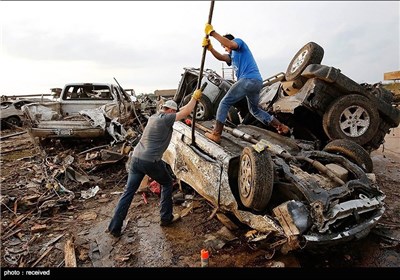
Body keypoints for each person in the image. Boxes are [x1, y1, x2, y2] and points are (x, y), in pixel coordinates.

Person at [107, 89, 203, 237]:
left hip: (136, 159)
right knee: (167, 183)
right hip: (150, 160)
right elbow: (185, 112)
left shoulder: (154, 117)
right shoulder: (166, 118)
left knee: (128, 192)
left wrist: (186, 105)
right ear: (170, 111)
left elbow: (182, 111)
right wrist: (195, 98)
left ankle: (115, 227)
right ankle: (166, 217)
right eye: (173, 112)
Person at [202, 24, 290, 143]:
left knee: (225, 102)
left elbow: (230, 44)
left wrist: (212, 33)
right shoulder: (232, 57)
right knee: (254, 110)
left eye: (224, 46)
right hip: (256, 82)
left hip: (248, 80)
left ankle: (216, 134)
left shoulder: (238, 43)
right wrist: (210, 48)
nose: (225, 49)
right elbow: (221, 57)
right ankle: (281, 126)